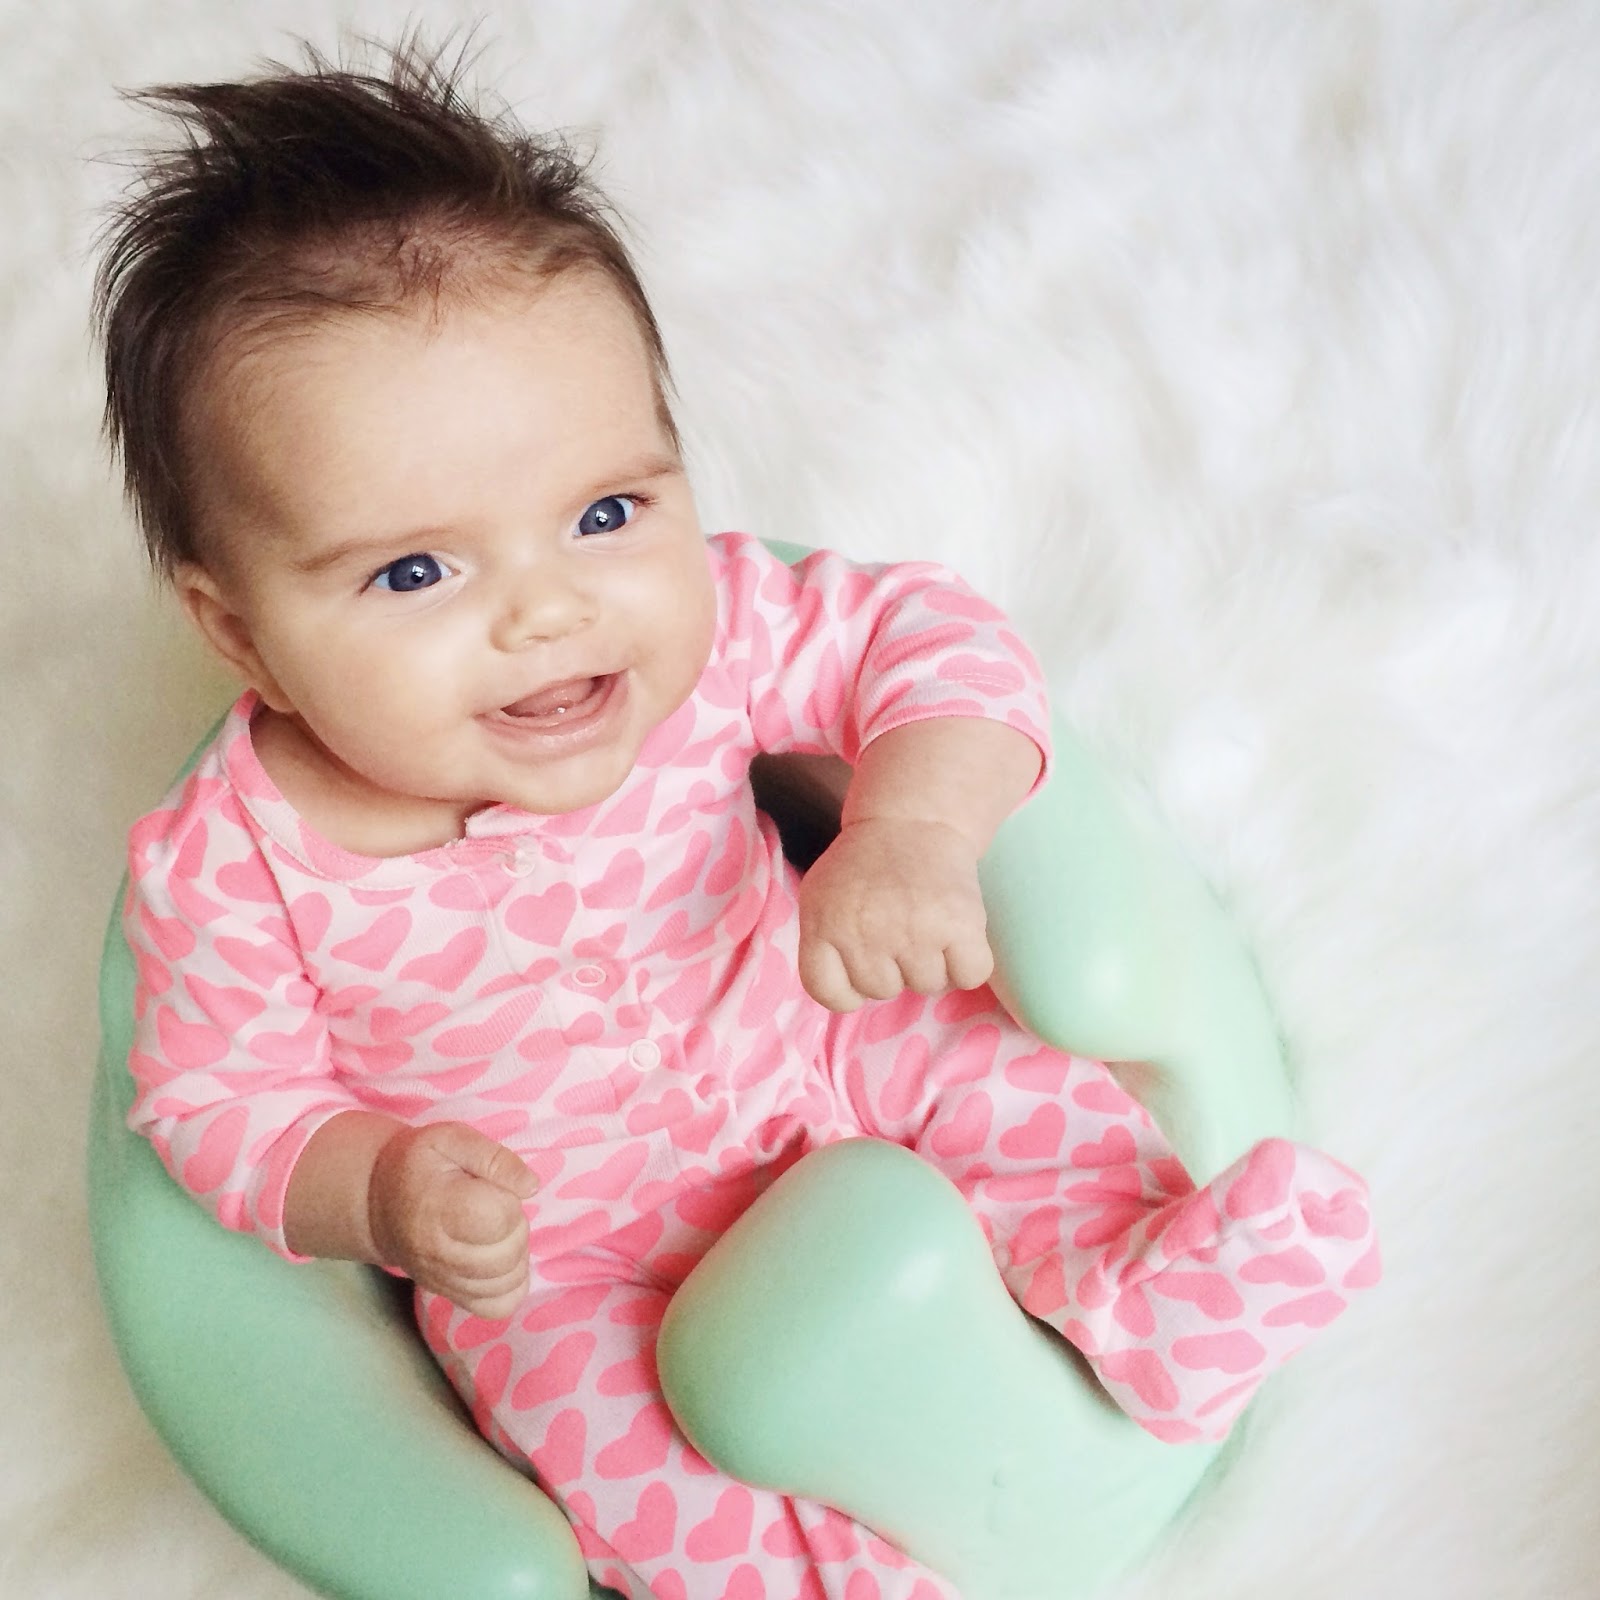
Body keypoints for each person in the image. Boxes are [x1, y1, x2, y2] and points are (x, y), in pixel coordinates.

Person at [99, 39, 1378, 1600]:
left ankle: (1144, 1291)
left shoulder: (710, 642)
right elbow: (215, 1101)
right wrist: (375, 1183)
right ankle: (821, 1577)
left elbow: (931, 640)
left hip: (817, 1025)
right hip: (561, 1246)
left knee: (1000, 1076)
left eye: (605, 512)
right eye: (417, 571)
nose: (548, 612)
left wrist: (910, 832)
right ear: (237, 631)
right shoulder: (229, 866)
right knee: (617, 1453)